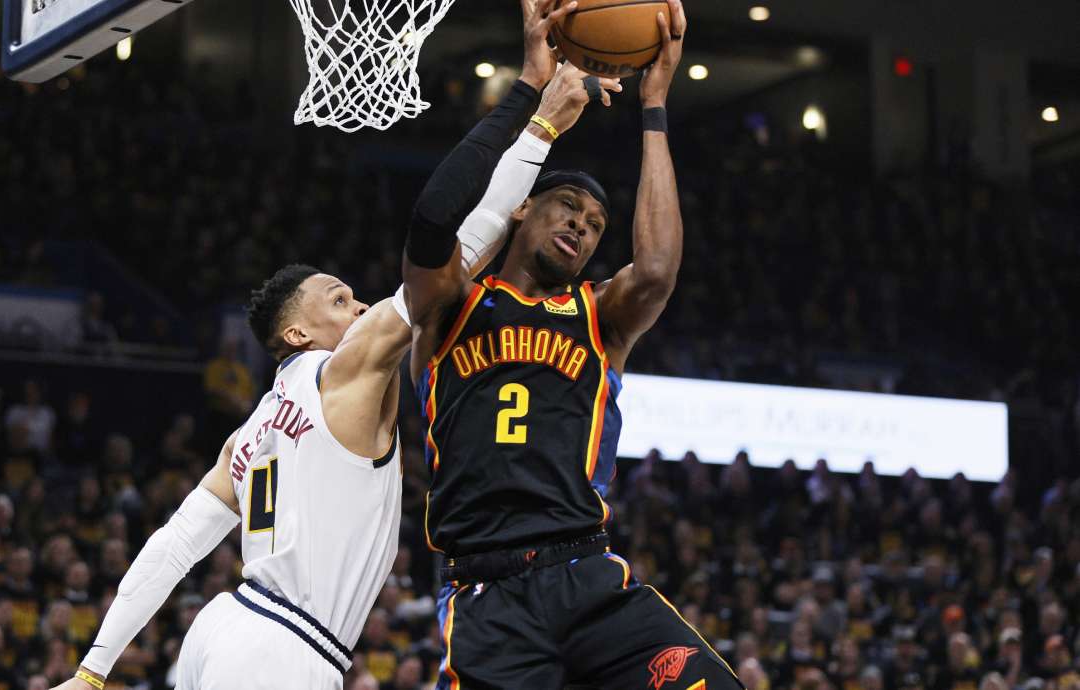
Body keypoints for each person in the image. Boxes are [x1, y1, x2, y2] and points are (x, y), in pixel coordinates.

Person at [47, 60, 603, 690]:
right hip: (284, 647)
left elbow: (175, 545)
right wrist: (538, 127)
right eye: (339, 301)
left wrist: (93, 669)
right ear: (297, 334)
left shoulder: (251, 432)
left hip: (222, 630)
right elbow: (464, 247)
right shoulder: (344, 373)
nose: (361, 306)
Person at [402, 0, 741, 686]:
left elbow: (657, 270)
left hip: (585, 574)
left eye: (594, 224)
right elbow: (434, 219)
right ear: (523, 206)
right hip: (487, 597)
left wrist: (654, 106)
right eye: (569, 209)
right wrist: (530, 98)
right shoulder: (450, 306)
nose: (583, 228)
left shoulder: (598, 316)